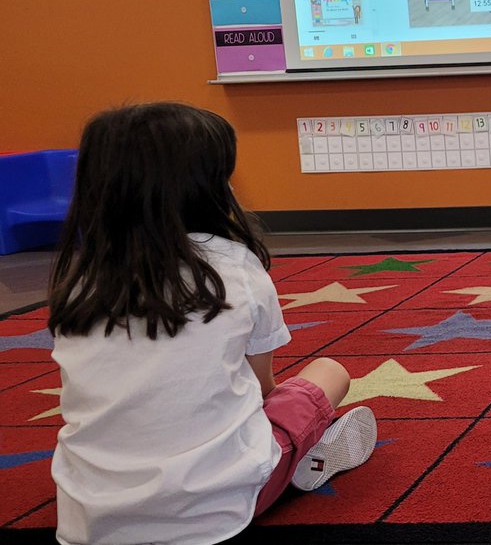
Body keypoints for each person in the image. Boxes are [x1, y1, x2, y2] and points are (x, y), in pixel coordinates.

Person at [47, 102, 378, 544]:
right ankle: (296, 460)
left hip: (87, 519)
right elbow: (263, 390)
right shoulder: (233, 265)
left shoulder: (78, 280)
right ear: (206, 186)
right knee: (328, 373)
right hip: (217, 508)